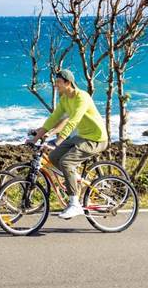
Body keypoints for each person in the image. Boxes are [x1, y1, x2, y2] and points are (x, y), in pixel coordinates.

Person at [31, 68, 108, 220]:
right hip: (83, 137)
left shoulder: (82, 97)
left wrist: (57, 141)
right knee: (53, 156)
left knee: (66, 162)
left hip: (97, 139)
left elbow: (73, 121)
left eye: (58, 82)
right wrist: (34, 139)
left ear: (68, 83)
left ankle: (75, 204)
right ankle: (73, 177)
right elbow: (53, 119)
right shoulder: (65, 99)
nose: (55, 85)